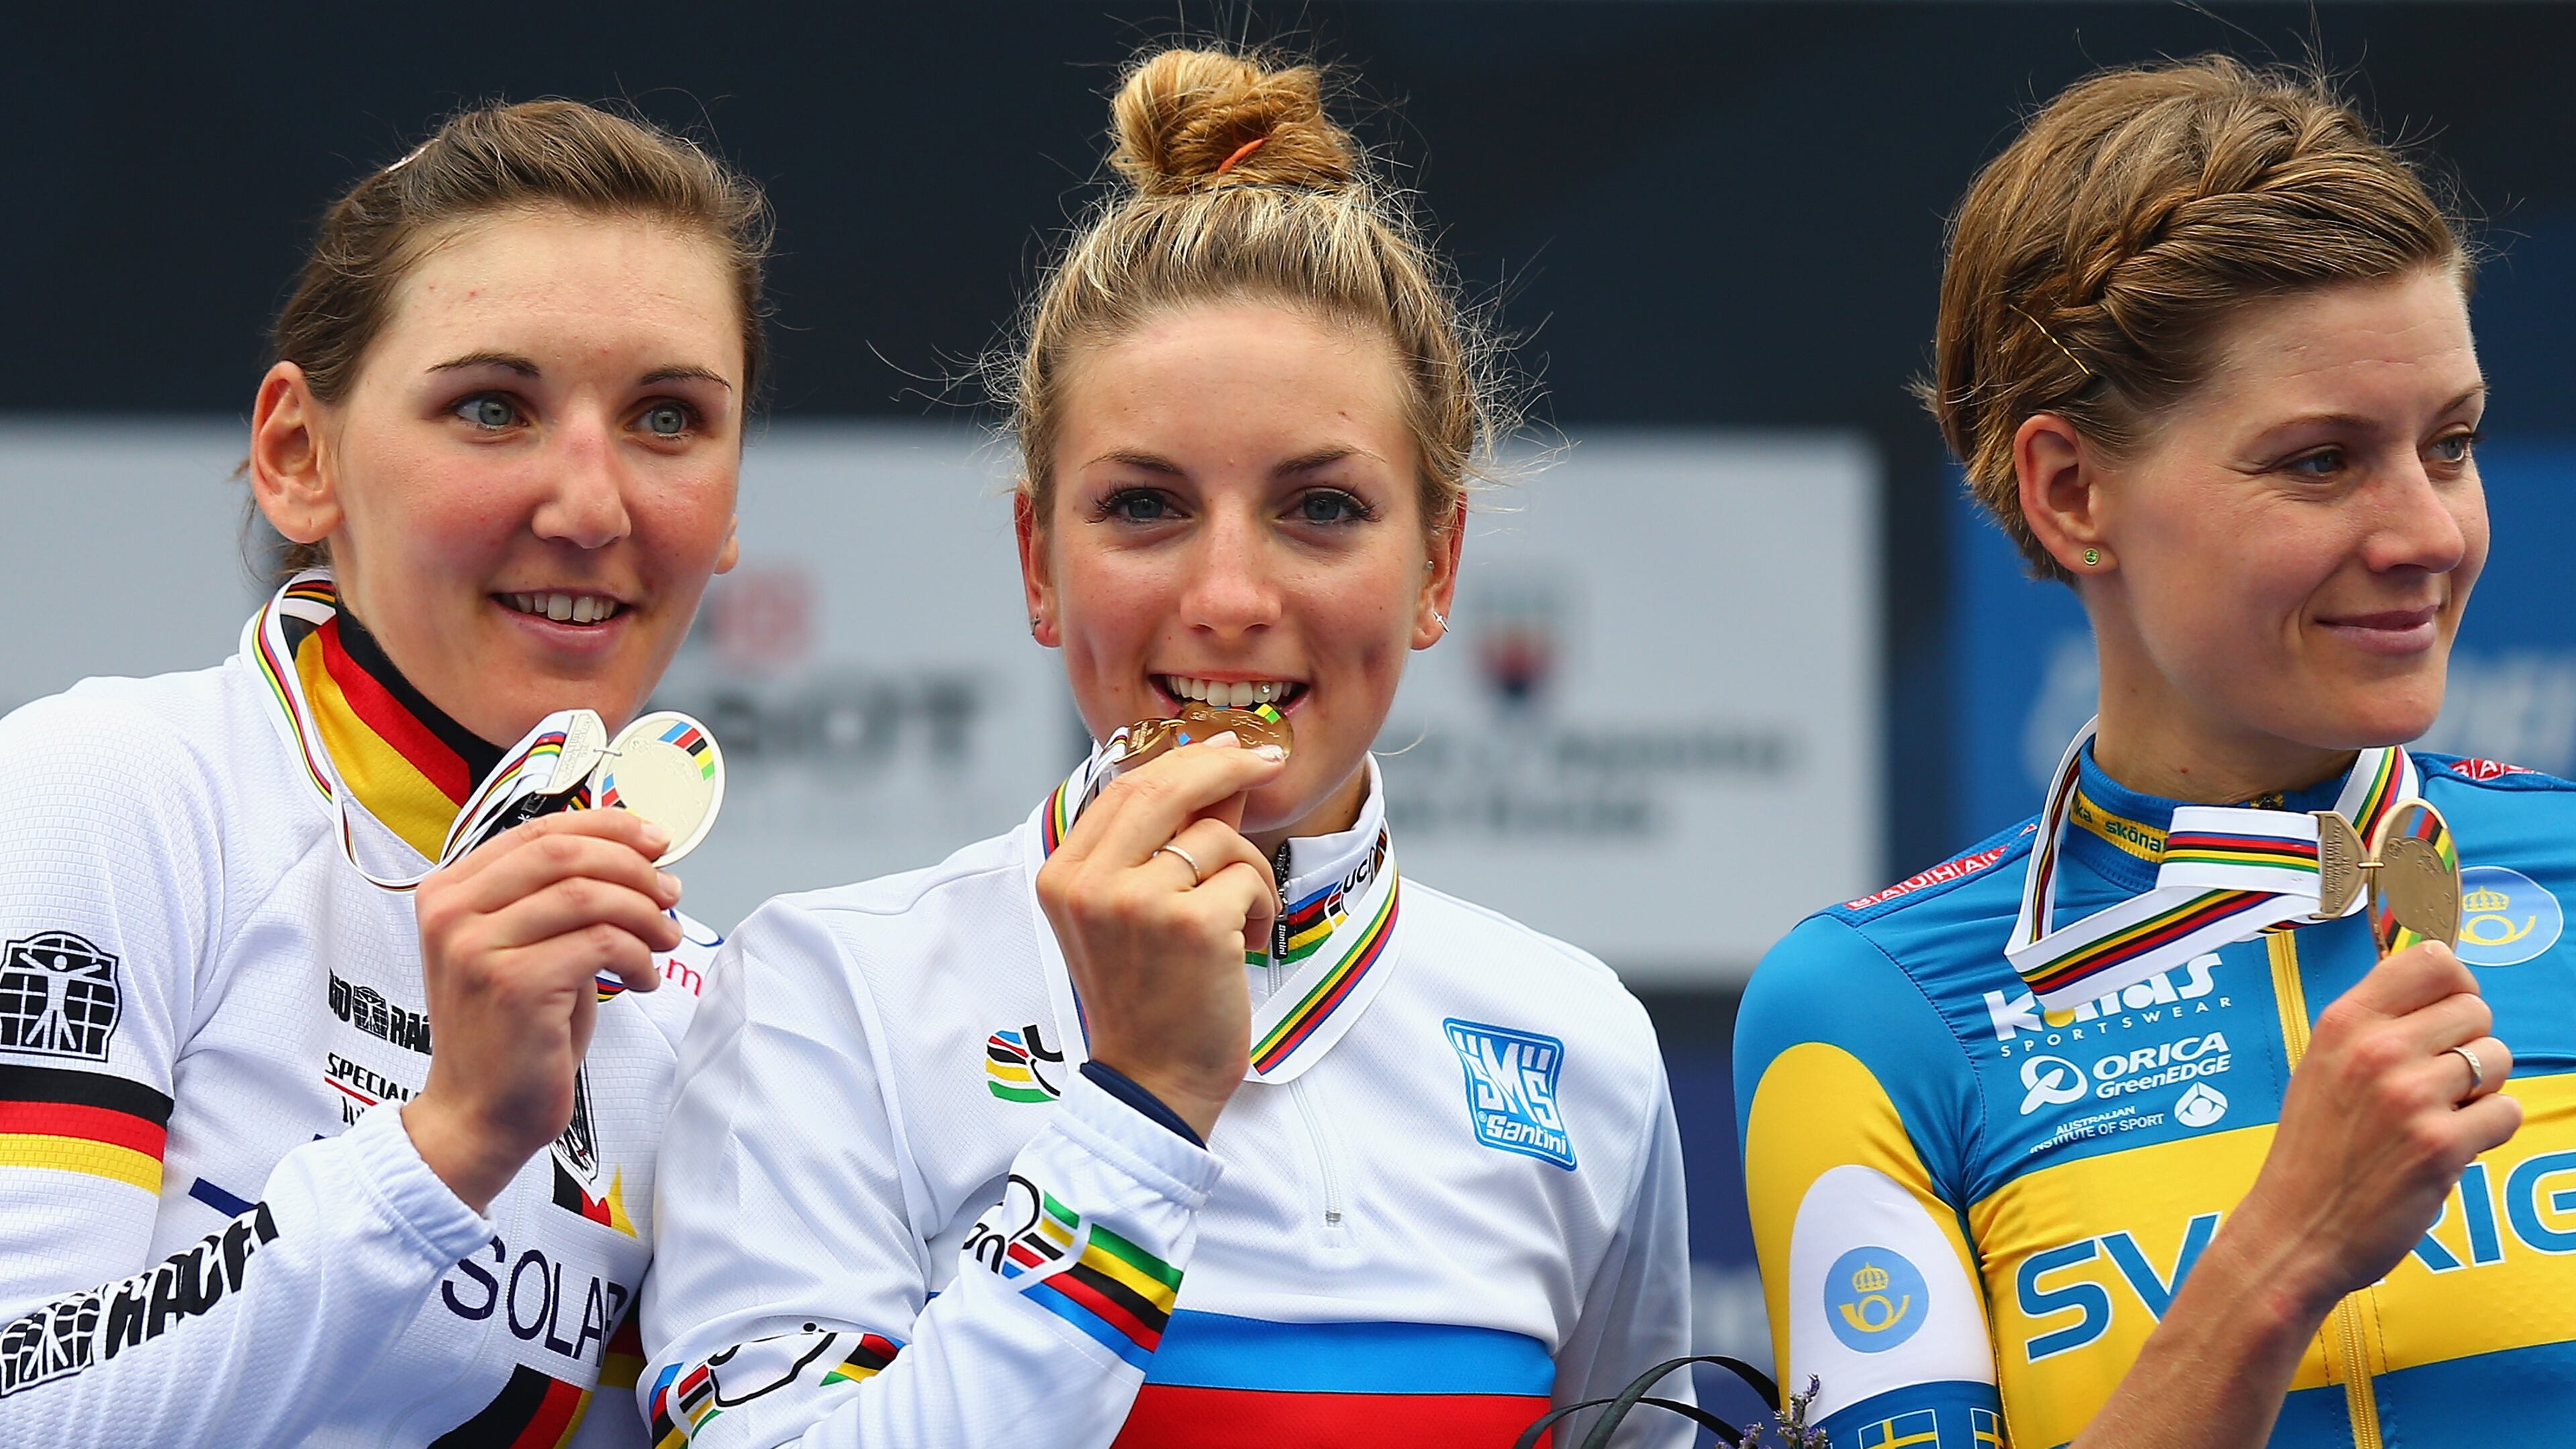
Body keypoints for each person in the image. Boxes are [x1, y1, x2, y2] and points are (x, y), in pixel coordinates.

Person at [642, 45, 1693, 1449]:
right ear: (1038, 562)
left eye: (1321, 510)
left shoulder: (1580, 1045)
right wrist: (1138, 1108)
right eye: (1143, 507)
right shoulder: (826, 998)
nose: (1229, 598)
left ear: (1438, 566)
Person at [1735, 55, 2570, 1449]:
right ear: (2073, 494)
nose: (2427, 534)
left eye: (2452, 444)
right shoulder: (1877, 1014)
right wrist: (2276, 1263)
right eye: (2319, 460)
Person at [0, 101, 765, 1444]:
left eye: (666, 418)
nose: (592, 507)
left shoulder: (689, 1001)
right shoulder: (114, 795)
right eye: (492, 407)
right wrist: (450, 1138)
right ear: (301, 456)